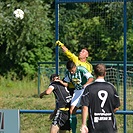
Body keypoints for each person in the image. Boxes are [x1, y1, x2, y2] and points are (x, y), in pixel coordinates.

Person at [80, 63, 120, 133]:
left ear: (94, 73)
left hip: (94, 126)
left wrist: (83, 124)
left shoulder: (89, 88)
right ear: (105, 73)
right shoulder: (111, 87)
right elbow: (116, 107)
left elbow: (84, 107)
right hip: (110, 126)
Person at [62, 60, 94, 133]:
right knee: (72, 110)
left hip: (86, 90)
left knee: (86, 108)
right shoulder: (68, 73)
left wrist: (85, 85)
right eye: (70, 71)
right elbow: (66, 83)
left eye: (72, 70)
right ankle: (74, 131)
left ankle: (87, 128)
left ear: (75, 67)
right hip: (77, 91)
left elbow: (91, 78)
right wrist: (59, 81)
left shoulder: (81, 69)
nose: (72, 72)